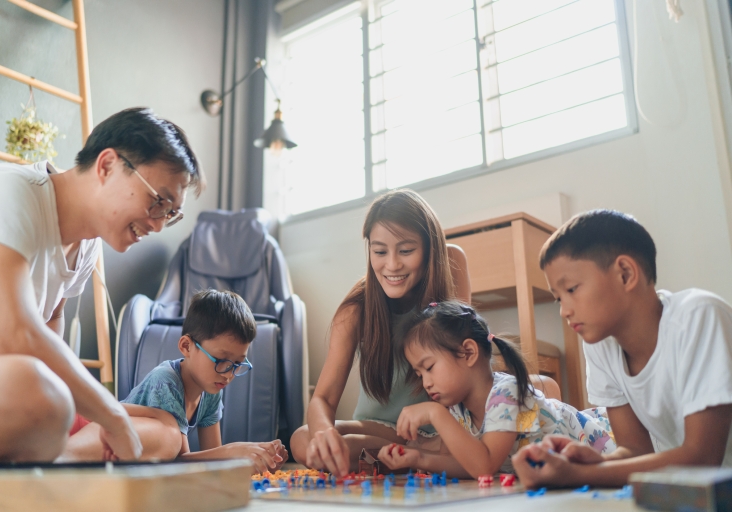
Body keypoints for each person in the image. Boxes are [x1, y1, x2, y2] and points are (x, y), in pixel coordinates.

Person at [0, 107, 203, 463]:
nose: (156, 225)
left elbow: (49, 325)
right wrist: (109, 415)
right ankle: (46, 452)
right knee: (37, 392)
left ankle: (49, 454)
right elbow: (9, 338)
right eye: (158, 201)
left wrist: (106, 417)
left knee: (164, 432)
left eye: (169, 213)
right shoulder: (8, 192)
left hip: (6, 392)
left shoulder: (86, 246)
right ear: (106, 165)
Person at [290, 189, 560, 477]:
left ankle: (400, 458)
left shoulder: (451, 263)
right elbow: (324, 399)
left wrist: (440, 418)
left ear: (430, 247)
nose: (392, 264)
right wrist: (323, 435)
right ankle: (407, 456)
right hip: (383, 428)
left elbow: (464, 357)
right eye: (380, 252)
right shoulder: (356, 309)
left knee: (546, 388)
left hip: (449, 421)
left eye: (406, 251)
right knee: (302, 440)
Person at [512, 209, 732, 488]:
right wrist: (588, 462)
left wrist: (580, 476)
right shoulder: (600, 343)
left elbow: (702, 459)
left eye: (571, 289)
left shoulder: (698, 316)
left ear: (626, 274)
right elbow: (636, 451)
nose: (564, 311)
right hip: (689, 495)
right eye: (558, 299)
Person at [377, 300, 616, 478]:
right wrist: (419, 458)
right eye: (419, 374)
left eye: (429, 367)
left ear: (468, 353)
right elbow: (468, 463)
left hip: (603, 447)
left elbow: (485, 465)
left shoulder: (506, 393)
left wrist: (434, 413)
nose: (426, 382)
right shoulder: (456, 408)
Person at [61, 290, 288, 473]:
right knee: (170, 438)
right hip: (87, 431)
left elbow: (214, 458)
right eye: (221, 361)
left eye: (238, 364)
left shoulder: (212, 387)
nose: (228, 374)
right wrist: (234, 451)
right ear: (186, 346)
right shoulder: (167, 382)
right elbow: (178, 459)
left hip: (113, 450)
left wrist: (256, 460)